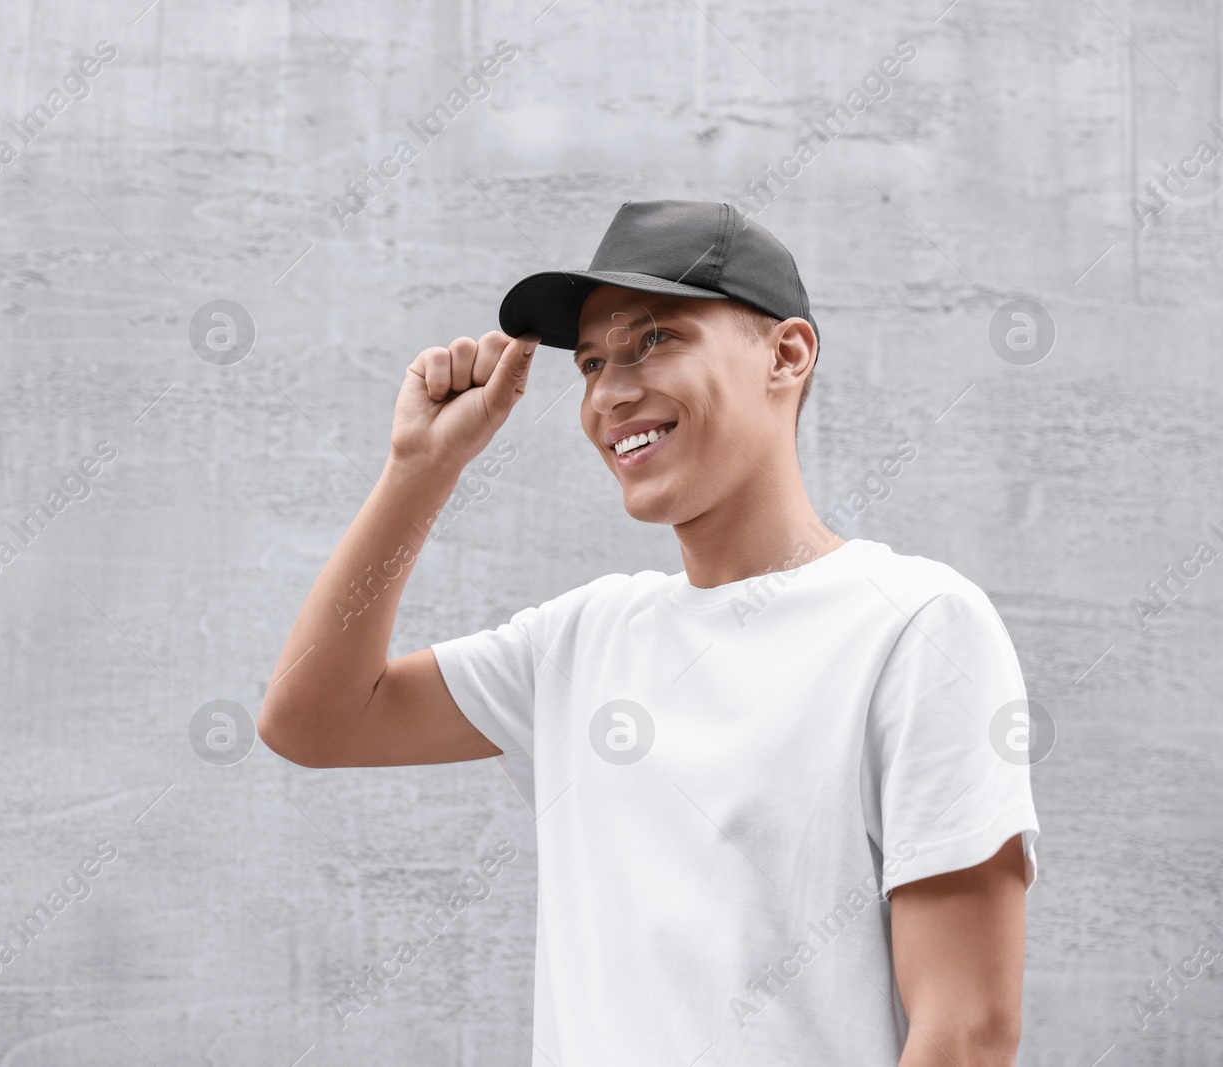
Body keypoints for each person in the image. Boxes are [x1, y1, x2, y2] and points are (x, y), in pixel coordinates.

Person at [258, 200, 1040, 1066]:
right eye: (591, 362)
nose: (609, 393)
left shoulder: (917, 625)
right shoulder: (581, 640)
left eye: (655, 340)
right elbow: (312, 720)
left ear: (787, 354)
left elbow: (966, 1033)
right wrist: (422, 468)